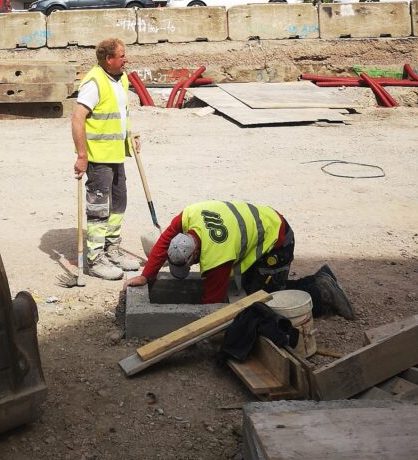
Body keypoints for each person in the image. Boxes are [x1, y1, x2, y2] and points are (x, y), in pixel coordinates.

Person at [125, 199, 354, 318]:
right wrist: (147, 276)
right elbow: (164, 240)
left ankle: (321, 291)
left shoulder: (217, 257)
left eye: (191, 264)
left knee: (264, 302)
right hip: (260, 222)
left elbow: (212, 303)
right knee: (246, 288)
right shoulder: (188, 216)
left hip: (277, 238)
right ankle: (315, 283)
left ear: (194, 254)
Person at [72, 38, 141, 281]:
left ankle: (112, 248)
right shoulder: (93, 82)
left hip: (116, 153)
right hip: (98, 156)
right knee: (99, 208)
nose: (126, 59)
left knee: (119, 203)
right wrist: (82, 155)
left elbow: (121, 113)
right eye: (122, 56)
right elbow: (77, 119)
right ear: (108, 60)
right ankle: (95, 258)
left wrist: (130, 135)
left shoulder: (121, 78)